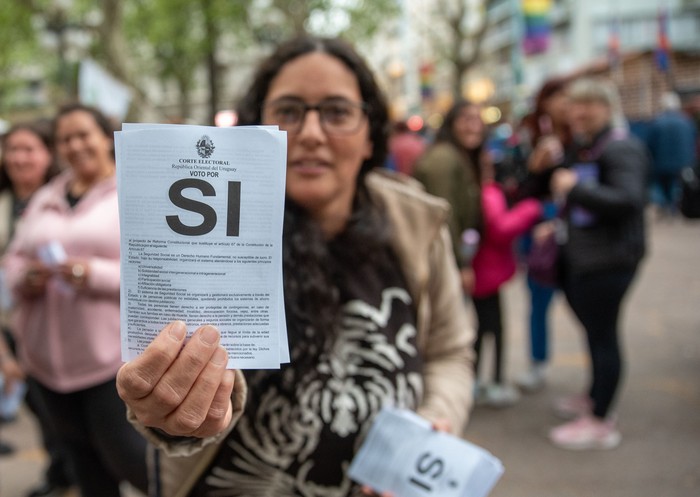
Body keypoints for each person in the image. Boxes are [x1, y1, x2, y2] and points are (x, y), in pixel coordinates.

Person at [116, 35, 474, 497]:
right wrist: (177, 409)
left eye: (336, 112)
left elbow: (449, 352)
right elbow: (178, 399)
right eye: (288, 112)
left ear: (370, 135)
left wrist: (426, 437)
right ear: (255, 130)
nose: (310, 133)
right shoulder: (207, 230)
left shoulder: (418, 224)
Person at [3, 103, 148, 496]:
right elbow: (14, 256)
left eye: (84, 134)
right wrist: (24, 277)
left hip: (108, 364)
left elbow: (156, 272)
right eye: (66, 138)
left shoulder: (133, 191)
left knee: (132, 462)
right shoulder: (45, 197)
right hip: (46, 364)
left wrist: (93, 274)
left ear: (106, 137)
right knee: (84, 466)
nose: (75, 145)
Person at [547, 78, 647, 450]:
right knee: (594, 333)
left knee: (604, 336)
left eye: (589, 104)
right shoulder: (589, 146)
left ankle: (601, 419)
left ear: (607, 107)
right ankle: (595, 397)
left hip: (610, 261)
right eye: (576, 104)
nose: (579, 112)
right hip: (590, 258)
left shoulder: (620, 148)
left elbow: (628, 199)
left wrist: (574, 189)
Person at [508, 77, 573, 392]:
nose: (565, 103)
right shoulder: (529, 139)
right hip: (538, 228)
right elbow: (519, 191)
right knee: (538, 298)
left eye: (568, 96)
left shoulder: (583, 139)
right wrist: (535, 167)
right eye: (557, 96)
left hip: (574, 226)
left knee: (583, 299)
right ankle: (538, 362)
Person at [470, 156, 542, 407]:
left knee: (482, 328)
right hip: (487, 271)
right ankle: (494, 381)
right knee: (494, 329)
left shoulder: (477, 190)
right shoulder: (487, 193)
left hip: (482, 269)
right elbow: (500, 229)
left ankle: (478, 380)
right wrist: (531, 209)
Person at [414, 100, 485, 290]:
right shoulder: (443, 158)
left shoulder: (458, 155)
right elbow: (443, 215)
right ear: (452, 123)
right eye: (467, 119)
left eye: (479, 119)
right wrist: (460, 265)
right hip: (443, 263)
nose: (475, 126)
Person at [646, 91, 698, 218]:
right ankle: (674, 206)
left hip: (661, 163)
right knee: (677, 185)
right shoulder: (686, 121)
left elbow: (650, 144)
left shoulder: (657, 122)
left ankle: (664, 206)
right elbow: (694, 140)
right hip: (683, 162)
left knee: (660, 185)